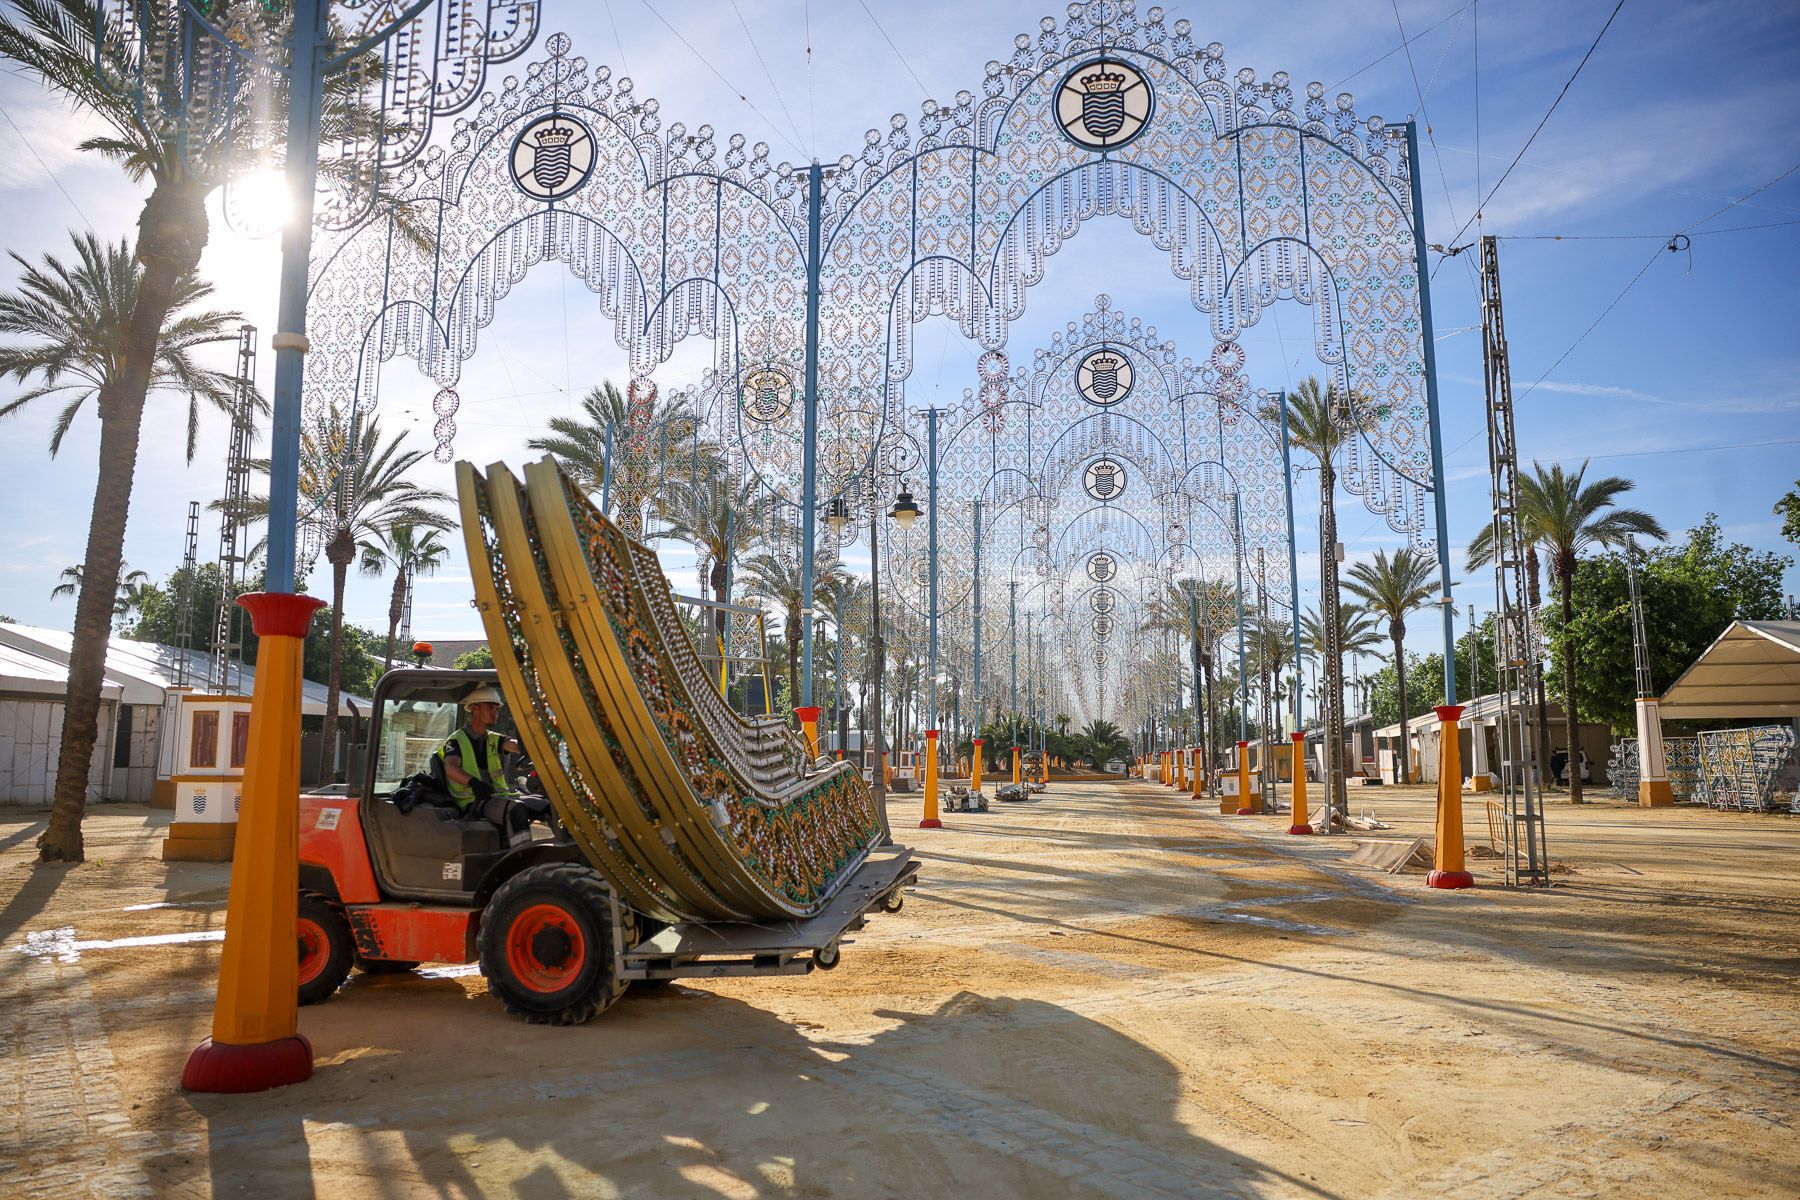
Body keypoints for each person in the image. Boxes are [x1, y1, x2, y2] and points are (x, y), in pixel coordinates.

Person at [437, 685, 549, 846]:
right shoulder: (456, 740)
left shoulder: (493, 739)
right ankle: (522, 858)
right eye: (490, 708)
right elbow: (451, 768)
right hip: (474, 801)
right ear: (475, 708)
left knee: (548, 806)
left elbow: (514, 745)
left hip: (498, 796)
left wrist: (539, 743)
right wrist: (474, 783)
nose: (495, 713)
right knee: (516, 810)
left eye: (497, 709)